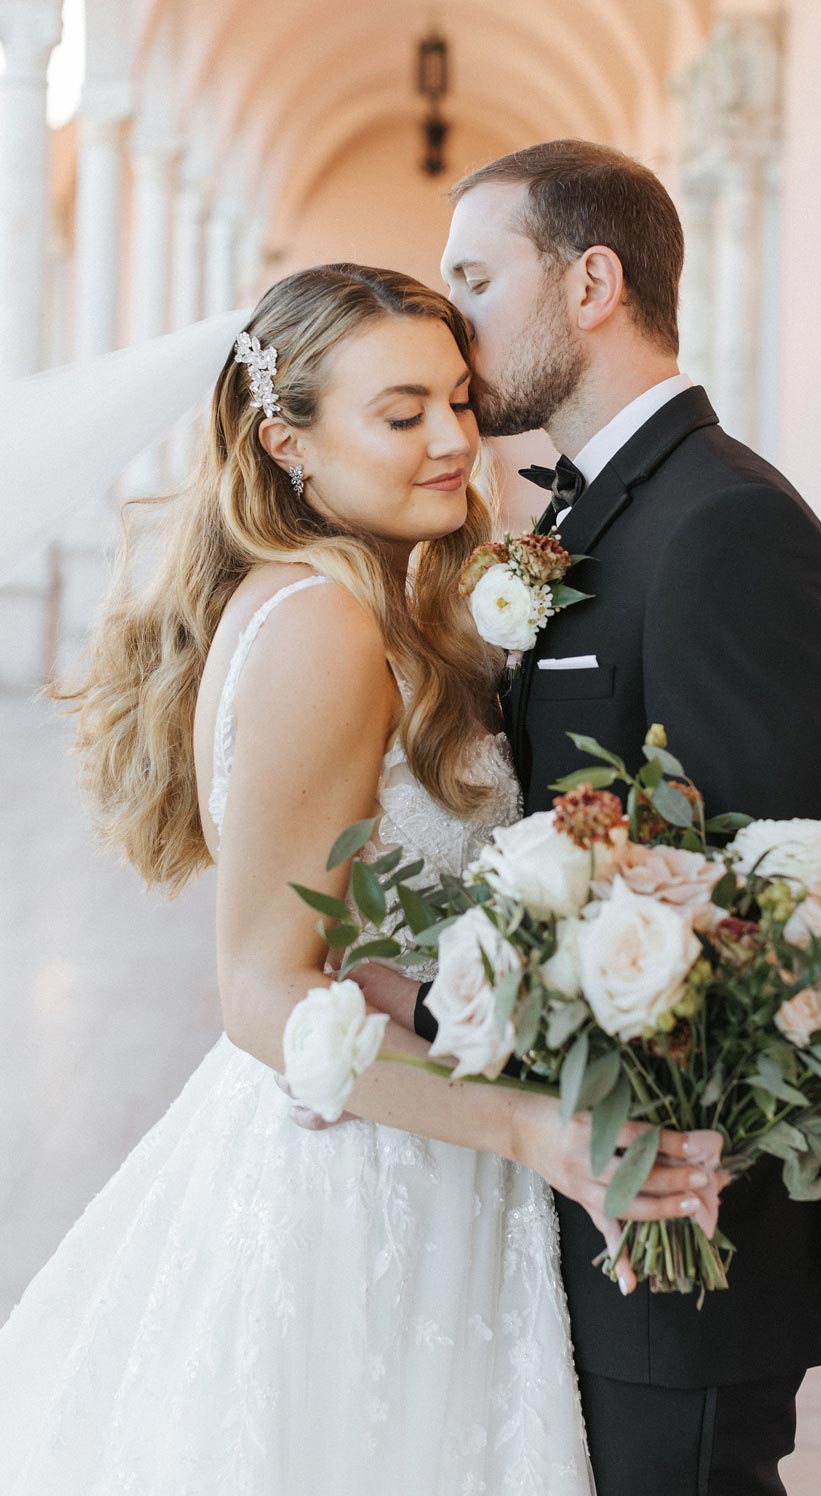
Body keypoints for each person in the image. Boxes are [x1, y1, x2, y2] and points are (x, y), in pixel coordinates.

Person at [3, 264, 722, 1490]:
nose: (455, 440)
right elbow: (259, 992)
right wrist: (536, 1128)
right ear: (288, 441)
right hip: (364, 1172)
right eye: (401, 415)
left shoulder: (359, 600)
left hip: (407, 1123)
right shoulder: (327, 631)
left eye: (456, 399)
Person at [430, 139, 821, 1496]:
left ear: (593, 281)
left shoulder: (724, 528)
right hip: (595, 1190)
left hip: (678, 1227)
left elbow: (746, 902)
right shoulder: (598, 521)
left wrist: (651, 1192)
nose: (457, 321)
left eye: (478, 278)